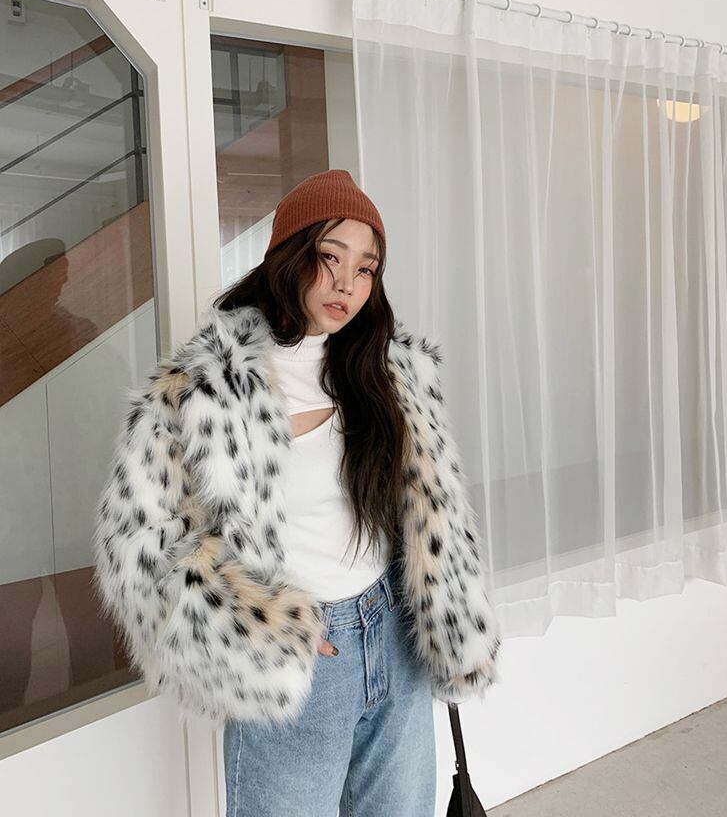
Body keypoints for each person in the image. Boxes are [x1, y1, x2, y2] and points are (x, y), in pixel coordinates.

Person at [92, 168, 501, 817]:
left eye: (366, 268)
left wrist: (448, 618)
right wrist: (254, 628)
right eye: (330, 257)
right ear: (290, 254)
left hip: (394, 636)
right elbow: (138, 546)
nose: (347, 284)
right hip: (302, 656)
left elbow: (435, 512)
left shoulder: (387, 371)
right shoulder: (206, 388)